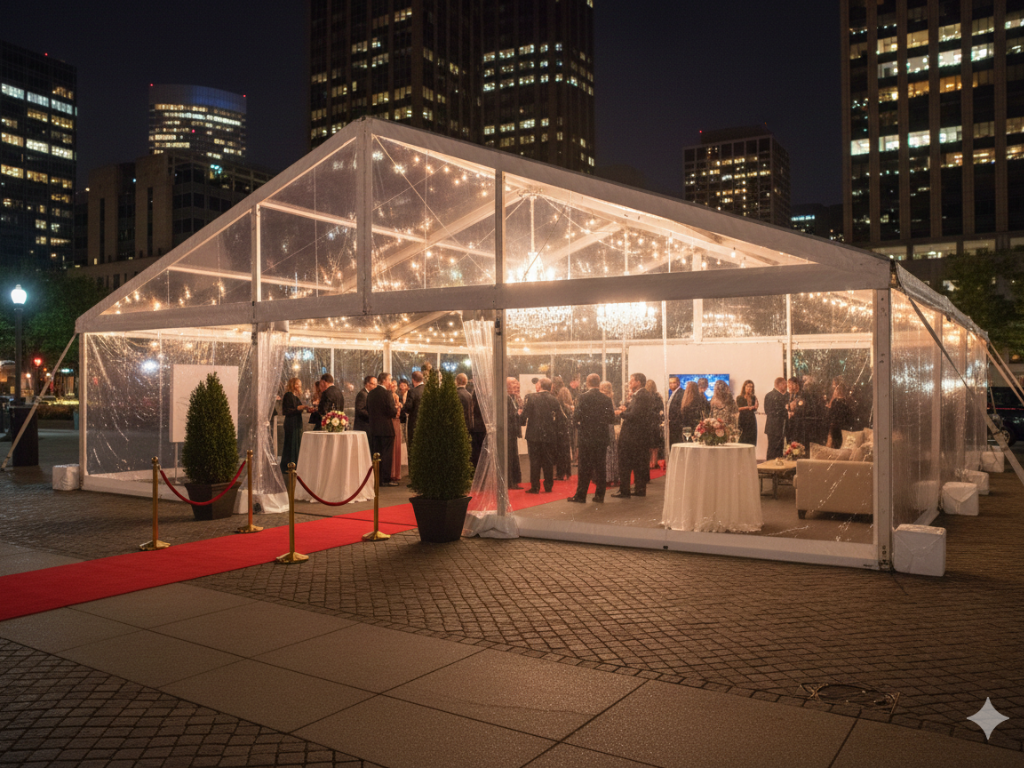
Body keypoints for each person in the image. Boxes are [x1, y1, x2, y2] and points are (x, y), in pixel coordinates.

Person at [568, 373, 616, 503]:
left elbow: (577, 417)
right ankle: (599, 495)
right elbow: (612, 418)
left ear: (587, 383)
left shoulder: (582, 397)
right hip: (601, 437)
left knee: (584, 468)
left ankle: (581, 495)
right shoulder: (606, 399)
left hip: (586, 438)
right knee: (600, 467)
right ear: (598, 383)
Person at [613, 373, 659, 498]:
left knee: (626, 464)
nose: (630, 383)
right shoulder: (641, 395)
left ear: (638, 382)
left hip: (633, 437)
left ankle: (625, 490)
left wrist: (621, 413)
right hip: (637, 437)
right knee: (639, 464)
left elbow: (635, 416)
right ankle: (638, 489)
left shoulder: (641, 395)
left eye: (632, 381)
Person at [520, 377, 562, 493]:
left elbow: (524, 416)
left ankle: (535, 486)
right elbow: (559, 418)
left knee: (534, 461)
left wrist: (520, 419)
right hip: (549, 435)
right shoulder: (554, 400)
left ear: (539, 385)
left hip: (533, 435)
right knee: (548, 461)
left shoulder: (531, 397)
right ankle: (548, 485)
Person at [367, 372, 399, 486]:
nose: (390, 382)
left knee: (376, 454)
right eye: (389, 380)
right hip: (386, 429)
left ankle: (377, 478)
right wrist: (396, 409)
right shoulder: (387, 393)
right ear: (384, 381)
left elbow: (368, 409)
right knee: (386, 454)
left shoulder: (370, 394)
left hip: (374, 428)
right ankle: (386, 479)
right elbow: (391, 411)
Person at [280, 378, 311, 476]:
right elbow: (289, 410)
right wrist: (302, 407)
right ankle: (289, 464)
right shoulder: (288, 395)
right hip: (291, 422)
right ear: (293, 385)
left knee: (296, 442)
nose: (299, 386)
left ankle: (294, 463)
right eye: (298, 384)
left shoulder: (295, 396)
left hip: (296, 421)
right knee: (291, 443)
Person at [552, 376, 574, 480]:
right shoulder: (568, 404)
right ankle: (567, 473)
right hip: (567, 429)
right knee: (566, 451)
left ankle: (560, 473)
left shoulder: (558, 402)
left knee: (560, 452)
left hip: (560, 430)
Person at [599, 381, 619, 486]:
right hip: (611, 427)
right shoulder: (610, 398)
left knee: (606, 452)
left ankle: (607, 477)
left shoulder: (601, 398)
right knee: (612, 450)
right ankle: (614, 476)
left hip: (604, 426)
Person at [764, 377, 789, 460]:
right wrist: (785, 409)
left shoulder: (787, 395)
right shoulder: (770, 396)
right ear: (779, 385)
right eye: (785, 384)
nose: (787, 386)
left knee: (780, 448)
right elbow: (768, 411)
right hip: (773, 427)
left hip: (782, 426)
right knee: (773, 448)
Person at [506, 377, 523, 489]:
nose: (516, 385)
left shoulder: (512, 398)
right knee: (510, 457)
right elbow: (509, 416)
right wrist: (518, 413)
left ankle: (513, 481)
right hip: (508, 433)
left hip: (511, 433)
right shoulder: (505, 398)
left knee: (513, 457)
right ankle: (510, 482)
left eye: (517, 383)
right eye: (513, 383)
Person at [826, 379, 853, 448]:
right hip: (844, 427)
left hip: (835, 426)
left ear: (837, 391)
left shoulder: (835, 402)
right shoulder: (847, 402)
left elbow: (830, 414)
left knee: (833, 444)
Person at [645, 379, 665, 469]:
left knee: (649, 443)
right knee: (655, 444)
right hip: (655, 422)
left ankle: (649, 462)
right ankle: (655, 461)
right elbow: (661, 409)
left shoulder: (645, 397)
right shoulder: (658, 397)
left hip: (647, 422)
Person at [402, 370, 425, 449]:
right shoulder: (429, 390)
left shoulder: (413, 391)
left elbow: (408, 407)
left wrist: (402, 408)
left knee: (414, 447)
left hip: (415, 423)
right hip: (427, 423)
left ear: (413, 380)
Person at [784, 377, 808, 449]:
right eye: (788, 384)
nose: (789, 386)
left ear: (796, 384)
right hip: (790, 424)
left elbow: (802, 408)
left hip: (798, 424)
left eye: (790, 384)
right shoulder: (789, 395)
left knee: (797, 444)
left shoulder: (802, 394)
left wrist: (794, 412)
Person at [467, 380, 487, 468]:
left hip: (476, 426)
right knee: (480, 449)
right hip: (481, 426)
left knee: (476, 449)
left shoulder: (474, 399)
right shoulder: (483, 401)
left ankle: (476, 466)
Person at [736, 380, 759, 446]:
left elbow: (755, 408)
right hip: (743, 418)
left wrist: (755, 406)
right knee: (743, 438)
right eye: (748, 386)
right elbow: (738, 409)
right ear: (744, 387)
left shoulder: (753, 397)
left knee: (752, 438)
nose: (750, 388)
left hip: (751, 419)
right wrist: (747, 407)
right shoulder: (739, 397)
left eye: (751, 387)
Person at [389, 378, 403, 481]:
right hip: (393, 422)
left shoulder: (395, 396)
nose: (394, 387)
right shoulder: (390, 396)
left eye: (395, 385)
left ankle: (394, 471)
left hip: (395, 421)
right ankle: (392, 471)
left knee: (395, 445)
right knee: (393, 445)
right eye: (392, 385)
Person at [666, 376, 684, 446]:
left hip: (676, 424)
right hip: (671, 424)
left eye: (673, 383)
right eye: (670, 383)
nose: (671, 385)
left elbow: (679, 409)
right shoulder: (672, 393)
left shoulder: (681, 393)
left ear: (678, 383)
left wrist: (673, 421)